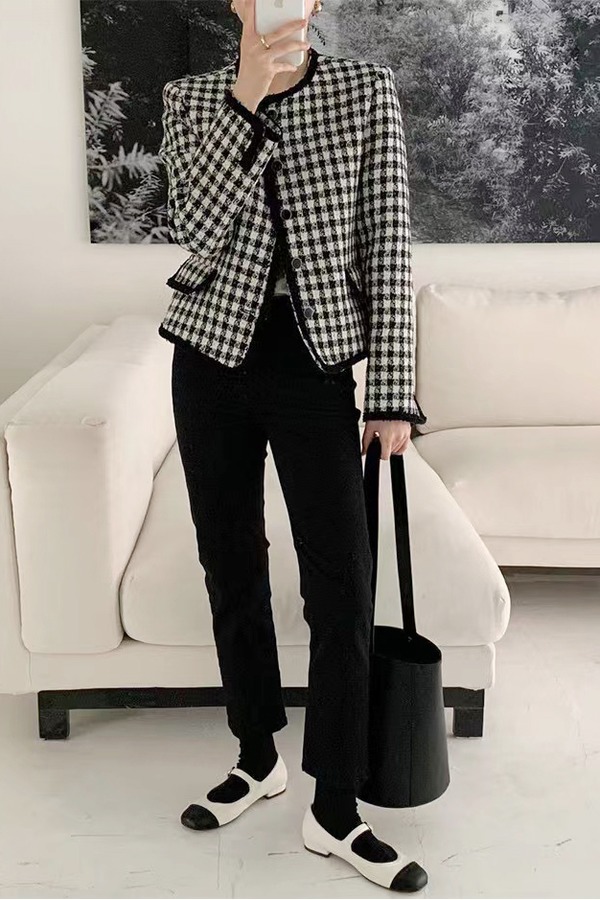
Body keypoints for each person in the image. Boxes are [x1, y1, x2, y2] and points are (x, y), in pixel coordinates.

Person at [158, 0, 428, 891]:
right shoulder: (192, 98)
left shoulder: (364, 90)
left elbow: (387, 243)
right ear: (237, 3)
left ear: (313, 3)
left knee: (341, 582)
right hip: (209, 357)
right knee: (230, 564)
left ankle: (336, 806)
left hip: (313, 362)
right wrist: (244, 96)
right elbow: (198, 229)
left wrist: (391, 392)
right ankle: (256, 756)